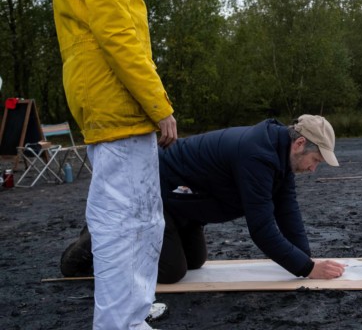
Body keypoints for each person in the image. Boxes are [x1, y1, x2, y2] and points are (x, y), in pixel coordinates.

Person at [40, 0, 177, 328]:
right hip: (116, 98)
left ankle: (133, 310)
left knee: (144, 217)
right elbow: (116, 29)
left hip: (112, 97)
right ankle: (120, 322)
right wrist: (159, 104)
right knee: (123, 220)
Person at [60, 115, 347, 284]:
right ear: (299, 144)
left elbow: (288, 210)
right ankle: (98, 240)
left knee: (196, 263)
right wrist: (307, 269)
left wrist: (306, 258)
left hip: (191, 205)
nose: (313, 168)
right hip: (160, 193)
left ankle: (149, 234)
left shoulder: (281, 157)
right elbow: (261, 228)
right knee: (172, 272)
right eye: (315, 159)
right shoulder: (257, 155)